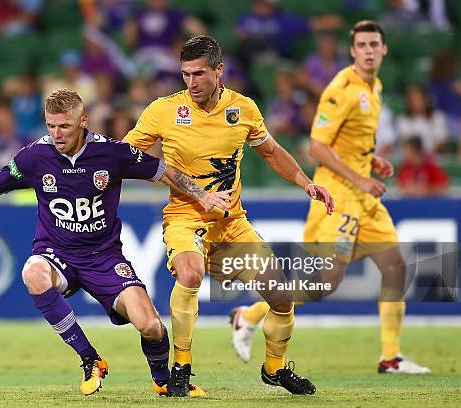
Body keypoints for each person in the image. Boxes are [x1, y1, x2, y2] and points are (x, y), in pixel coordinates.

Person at [0, 89, 232, 397]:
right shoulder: (36, 156)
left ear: (83, 121)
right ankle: (91, 359)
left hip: (104, 257)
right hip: (56, 252)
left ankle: (163, 382)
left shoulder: (111, 152)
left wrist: (203, 195)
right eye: (51, 125)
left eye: (64, 125)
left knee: (150, 326)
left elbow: (165, 171)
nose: (57, 133)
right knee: (33, 273)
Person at [124, 35, 334, 396]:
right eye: (185, 75)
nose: (191, 83)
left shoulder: (243, 109)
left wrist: (305, 181)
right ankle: (181, 368)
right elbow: (126, 155)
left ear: (219, 71)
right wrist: (190, 190)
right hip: (185, 218)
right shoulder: (163, 110)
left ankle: (275, 369)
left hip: (232, 224)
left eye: (199, 74)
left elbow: (270, 152)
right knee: (190, 273)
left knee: (281, 295)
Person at [230, 21, 431, 375]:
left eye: (374, 44)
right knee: (323, 284)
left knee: (395, 266)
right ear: (353, 51)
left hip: (363, 195)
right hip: (339, 195)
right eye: (362, 45)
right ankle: (249, 315)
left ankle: (390, 357)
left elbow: (349, 143)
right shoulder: (341, 89)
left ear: (384, 50)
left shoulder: (376, 86)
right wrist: (359, 177)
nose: (369, 50)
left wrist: (371, 161)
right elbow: (317, 147)